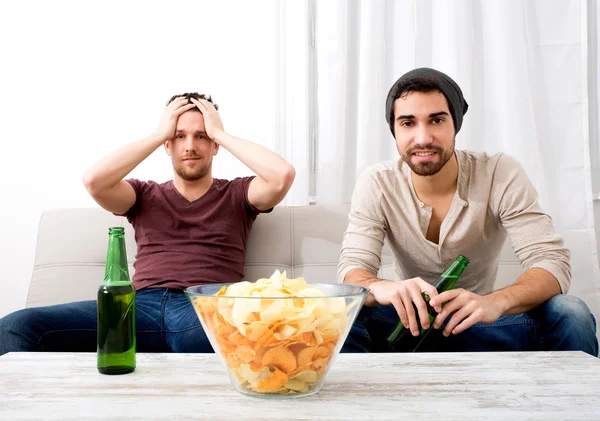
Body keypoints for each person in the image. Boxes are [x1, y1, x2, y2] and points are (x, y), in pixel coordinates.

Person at [0, 93, 295, 354]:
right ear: (167, 145)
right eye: (179, 136)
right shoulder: (144, 194)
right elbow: (94, 181)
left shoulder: (237, 193)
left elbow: (282, 175)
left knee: (232, 338)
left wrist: (221, 132)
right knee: (16, 327)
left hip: (206, 307)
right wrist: (157, 134)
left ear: (215, 145)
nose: (190, 146)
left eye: (201, 136)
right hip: (139, 308)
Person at [339, 68, 598, 356]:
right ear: (395, 130)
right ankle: (359, 402)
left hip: (481, 325)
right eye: (408, 123)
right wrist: (380, 288)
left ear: (455, 125)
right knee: (343, 310)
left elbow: (551, 262)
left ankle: (574, 402)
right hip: (404, 327)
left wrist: (496, 302)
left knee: (570, 312)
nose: (422, 138)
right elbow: (353, 271)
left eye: (436, 120)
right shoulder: (377, 181)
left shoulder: (499, 172)